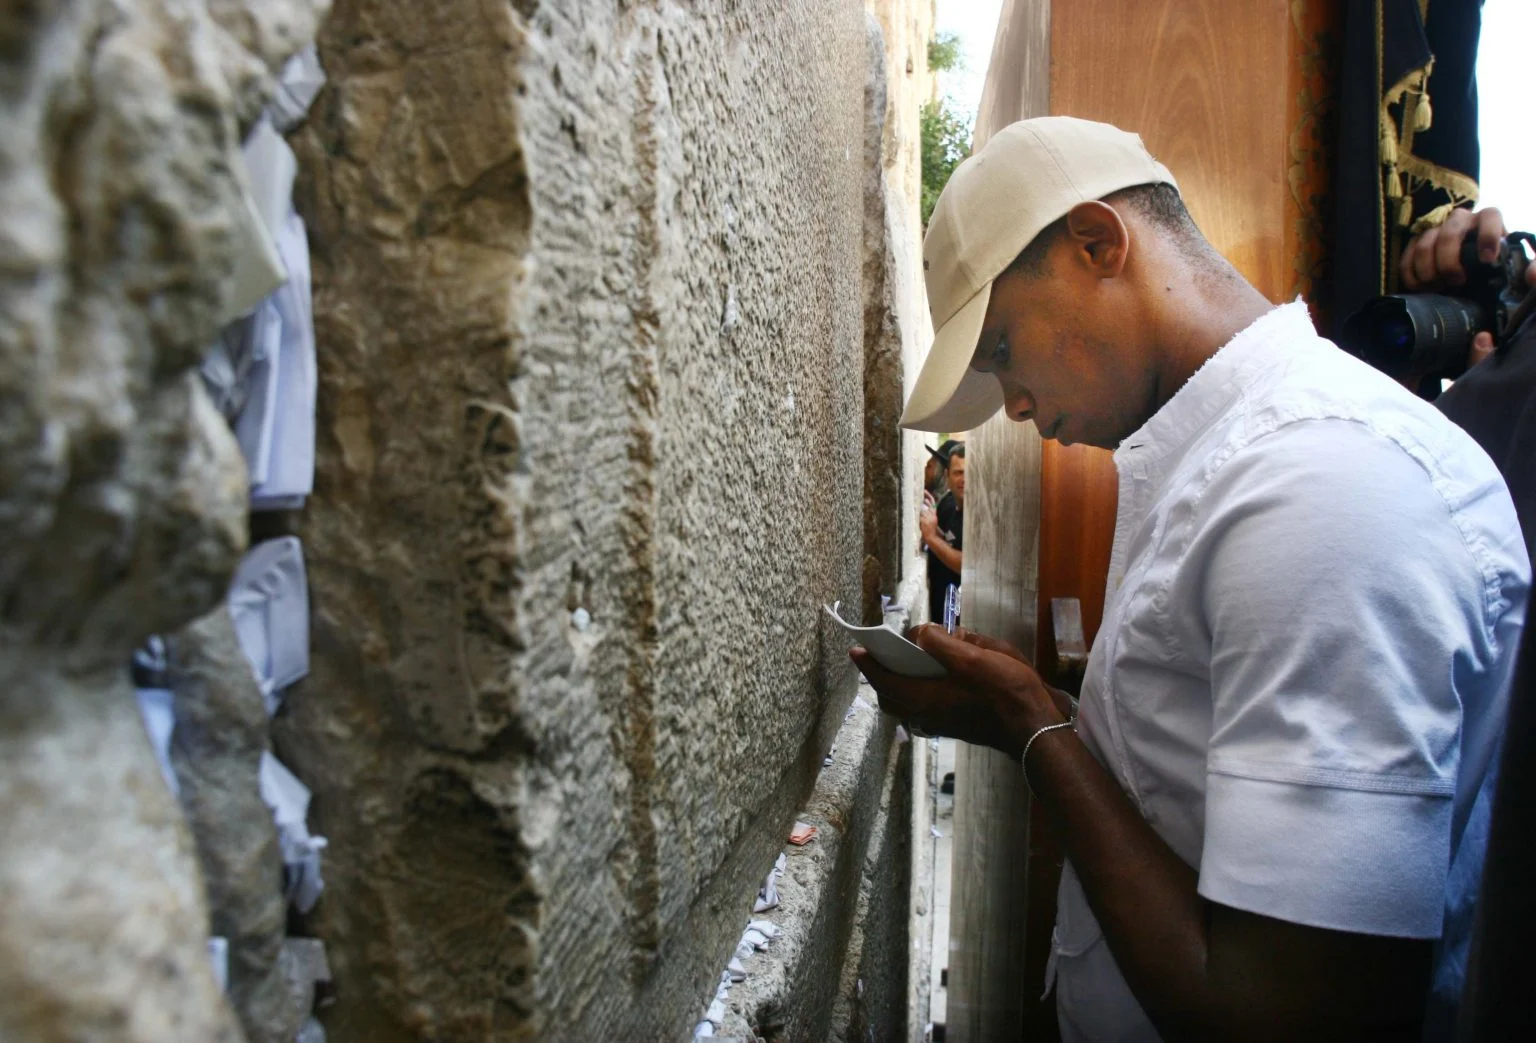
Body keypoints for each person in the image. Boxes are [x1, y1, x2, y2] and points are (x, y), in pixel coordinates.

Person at [856, 117, 1530, 1041]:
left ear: (1099, 244)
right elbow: (1186, 784)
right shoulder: (1222, 459)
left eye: (1004, 348)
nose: (1011, 404)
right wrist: (1030, 704)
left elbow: (1288, 1012)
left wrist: (1031, 721)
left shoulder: (1322, 488)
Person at [921, 444, 964, 626]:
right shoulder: (952, 507)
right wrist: (932, 526)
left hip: (958, 622)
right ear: (948, 476)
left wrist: (931, 537)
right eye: (958, 473)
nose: (963, 479)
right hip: (943, 615)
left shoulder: (978, 517)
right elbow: (950, 541)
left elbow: (965, 564)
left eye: (968, 472)